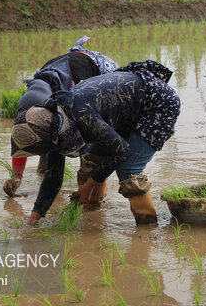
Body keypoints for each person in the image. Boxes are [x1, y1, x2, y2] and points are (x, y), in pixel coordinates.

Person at [9, 60, 181, 226]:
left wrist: (91, 184)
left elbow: (122, 151)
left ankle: (147, 228)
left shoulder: (80, 114)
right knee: (91, 159)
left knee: (129, 170)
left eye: (38, 152)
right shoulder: (52, 123)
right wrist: (32, 220)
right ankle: (94, 214)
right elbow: (53, 177)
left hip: (157, 104)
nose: (40, 155)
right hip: (125, 108)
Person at [2, 36, 119, 197]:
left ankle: (93, 194)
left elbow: (86, 134)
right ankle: (44, 168)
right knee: (42, 137)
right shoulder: (31, 101)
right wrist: (17, 175)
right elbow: (24, 135)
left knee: (90, 152)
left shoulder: (75, 98)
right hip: (66, 70)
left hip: (96, 73)